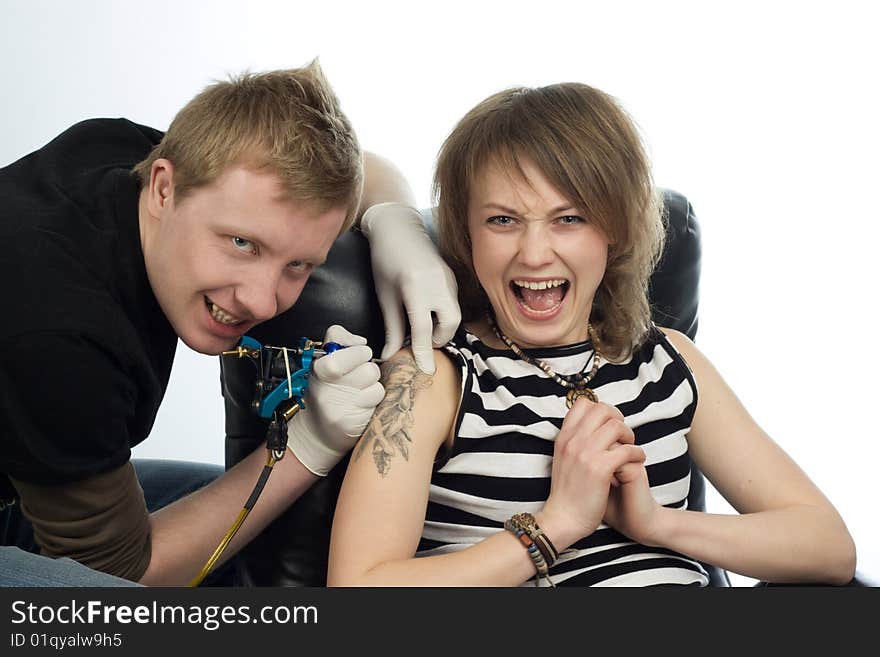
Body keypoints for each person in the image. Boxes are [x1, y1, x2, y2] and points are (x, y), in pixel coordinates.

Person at [326, 82, 857, 586]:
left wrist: (655, 524)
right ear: (467, 235)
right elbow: (357, 587)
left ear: (615, 229)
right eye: (503, 221)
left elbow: (829, 548)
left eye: (569, 219)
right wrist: (555, 525)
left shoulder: (668, 361)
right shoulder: (432, 379)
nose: (534, 254)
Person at [0, 61, 460, 586]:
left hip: (18, 486)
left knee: (256, 533)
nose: (263, 303)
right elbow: (125, 574)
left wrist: (398, 224)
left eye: (298, 265)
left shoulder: (122, 155)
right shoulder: (59, 331)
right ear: (163, 190)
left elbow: (363, 170)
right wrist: (308, 445)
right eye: (243, 244)